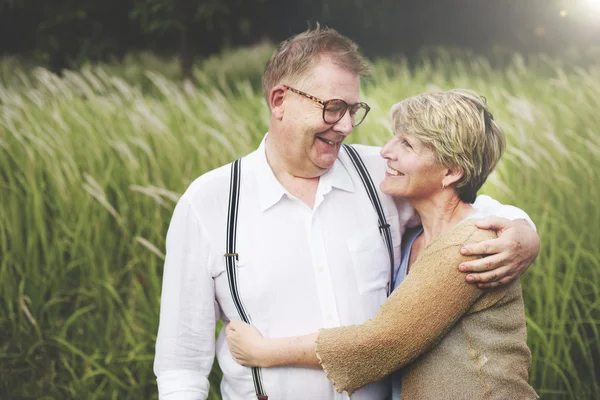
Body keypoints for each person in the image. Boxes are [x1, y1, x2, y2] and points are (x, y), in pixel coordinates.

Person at [153, 26, 540, 400]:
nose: (347, 126)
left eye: (354, 109)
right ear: (279, 100)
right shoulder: (209, 202)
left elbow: (465, 205)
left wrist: (523, 233)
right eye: (334, 108)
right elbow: (181, 363)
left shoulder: (382, 176)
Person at [225, 89, 539, 399]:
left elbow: (383, 343)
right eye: (394, 137)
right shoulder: (413, 239)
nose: (386, 151)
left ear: (451, 171)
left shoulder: (470, 245)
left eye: (407, 144)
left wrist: (264, 352)